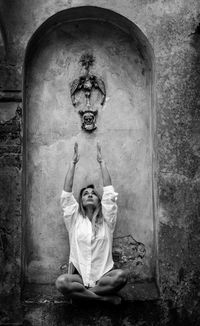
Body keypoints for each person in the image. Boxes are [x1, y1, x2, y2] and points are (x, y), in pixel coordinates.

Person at [55, 142, 128, 304]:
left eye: (93, 194)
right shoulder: (74, 220)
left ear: (99, 200)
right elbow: (66, 195)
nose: (89, 195)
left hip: (103, 277)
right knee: (61, 282)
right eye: (85, 194)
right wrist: (72, 164)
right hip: (79, 278)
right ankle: (103, 299)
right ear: (80, 200)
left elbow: (109, 194)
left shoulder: (107, 220)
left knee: (121, 276)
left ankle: (83, 297)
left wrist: (102, 163)